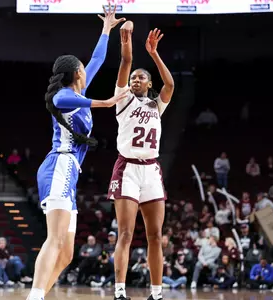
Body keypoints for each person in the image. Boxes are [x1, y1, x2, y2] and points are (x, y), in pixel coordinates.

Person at [27, 6, 127, 300]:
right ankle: (35, 296)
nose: (88, 68)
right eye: (83, 67)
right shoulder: (64, 97)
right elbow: (62, 98)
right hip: (58, 166)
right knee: (55, 239)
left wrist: (107, 29)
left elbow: (97, 58)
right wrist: (108, 102)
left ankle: (41, 294)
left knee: (67, 253)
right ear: (76, 73)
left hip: (70, 173)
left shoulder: (80, 94)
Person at [107, 25, 174, 300]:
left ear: (149, 84)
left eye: (141, 77)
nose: (136, 79)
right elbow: (125, 62)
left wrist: (155, 55)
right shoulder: (123, 100)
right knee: (125, 233)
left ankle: (156, 293)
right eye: (134, 77)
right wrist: (127, 43)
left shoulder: (157, 105)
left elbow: (170, 85)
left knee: (156, 235)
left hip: (151, 171)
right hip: (127, 169)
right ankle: (120, 291)